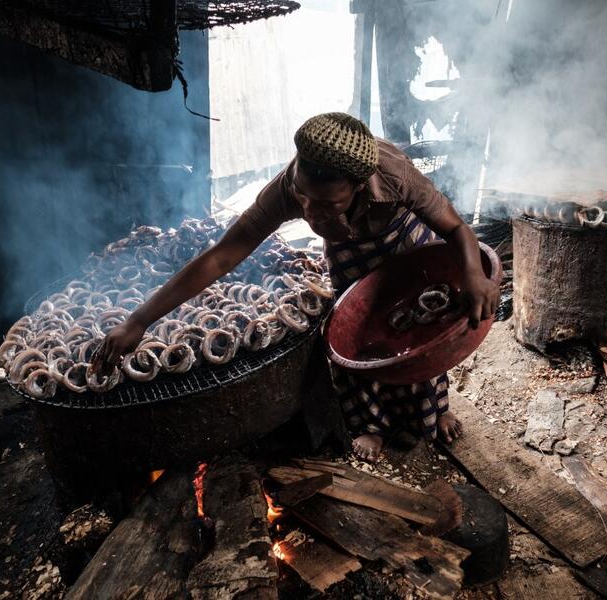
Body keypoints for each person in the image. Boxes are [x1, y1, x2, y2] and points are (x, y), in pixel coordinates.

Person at [93, 112, 500, 462]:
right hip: (347, 252)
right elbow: (219, 258)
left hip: (402, 239)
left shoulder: (393, 173)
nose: (310, 211)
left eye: (326, 205)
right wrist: (138, 321)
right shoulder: (287, 189)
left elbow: (455, 227)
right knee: (358, 337)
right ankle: (370, 424)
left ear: (358, 186)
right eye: (304, 199)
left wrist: (474, 274)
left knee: (419, 328)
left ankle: (436, 409)